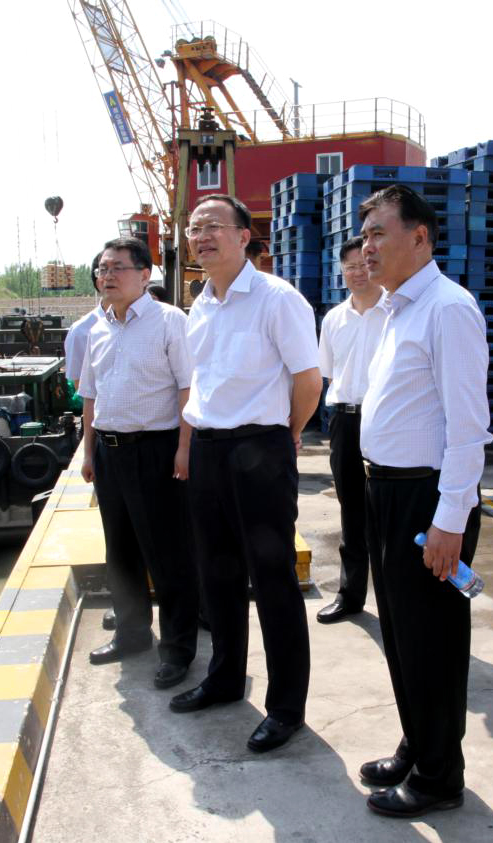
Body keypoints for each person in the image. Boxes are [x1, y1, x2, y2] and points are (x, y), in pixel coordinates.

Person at [356, 185, 492, 818]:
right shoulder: (395, 309)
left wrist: (449, 522)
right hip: (386, 490)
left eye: (379, 233)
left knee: (432, 641)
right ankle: (418, 744)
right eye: (364, 235)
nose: (367, 246)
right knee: (402, 637)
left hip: (426, 499)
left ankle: (440, 777)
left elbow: (468, 429)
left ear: (419, 237)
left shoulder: (448, 309)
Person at [169, 194, 322, 755]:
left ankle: (286, 707)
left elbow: (309, 382)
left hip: (261, 448)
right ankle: (225, 678)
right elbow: (203, 385)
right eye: (194, 229)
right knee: (217, 574)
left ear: (243, 236)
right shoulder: (201, 306)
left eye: (213, 226)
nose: (202, 236)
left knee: (273, 578)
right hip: (209, 449)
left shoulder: (278, 299)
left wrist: (284, 435)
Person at [79, 237, 199, 689]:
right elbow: (90, 395)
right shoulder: (97, 327)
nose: (107, 276)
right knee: (121, 551)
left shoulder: (170, 321)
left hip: (156, 450)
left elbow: (188, 389)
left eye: (117, 268)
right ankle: (131, 634)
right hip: (109, 453)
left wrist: (184, 449)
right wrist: (89, 452)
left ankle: (178, 649)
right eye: (102, 269)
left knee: (168, 554)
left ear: (145, 275)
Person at [315, 235, 386, 624]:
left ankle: (393, 599)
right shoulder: (334, 319)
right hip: (344, 419)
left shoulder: (394, 312)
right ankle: (350, 594)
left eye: (363, 265)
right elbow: (327, 373)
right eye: (350, 267)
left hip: (385, 419)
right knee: (352, 510)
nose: (358, 273)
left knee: (387, 511)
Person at [63, 252, 104, 392]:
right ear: (98, 281)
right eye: (105, 270)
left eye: (121, 269)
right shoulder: (81, 331)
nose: (112, 276)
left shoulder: (160, 323)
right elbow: (81, 388)